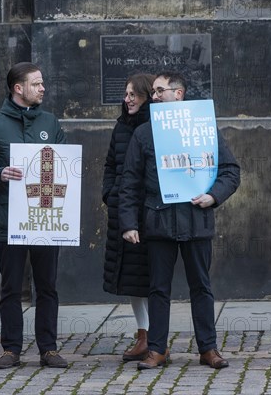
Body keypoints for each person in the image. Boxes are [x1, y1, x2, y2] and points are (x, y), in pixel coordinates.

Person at [119, 71, 240, 370]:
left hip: (196, 220)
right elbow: (130, 182)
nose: (155, 96)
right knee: (158, 288)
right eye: (155, 92)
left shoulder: (204, 127)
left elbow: (230, 171)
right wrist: (129, 222)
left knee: (201, 286)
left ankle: (208, 349)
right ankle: (157, 350)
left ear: (179, 94)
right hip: (158, 222)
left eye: (160, 91)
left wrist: (213, 196)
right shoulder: (144, 133)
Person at [0, 62, 68, 369]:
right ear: (18, 88)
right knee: (10, 288)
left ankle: (48, 349)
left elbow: (64, 161)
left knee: (47, 286)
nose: (42, 88)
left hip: (46, 219)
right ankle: (11, 348)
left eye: (42, 83)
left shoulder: (50, 121)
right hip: (10, 221)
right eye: (36, 84)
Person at [102, 73, 154, 361]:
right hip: (122, 210)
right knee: (131, 279)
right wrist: (110, 193)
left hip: (148, 211)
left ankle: (156, 338)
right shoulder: (121, 126)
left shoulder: (156, 126)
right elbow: (110, 164)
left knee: (150, 276)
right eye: (126, 94)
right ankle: (143, 336)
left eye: (133, 94)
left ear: (146, 95)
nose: (127, 99)